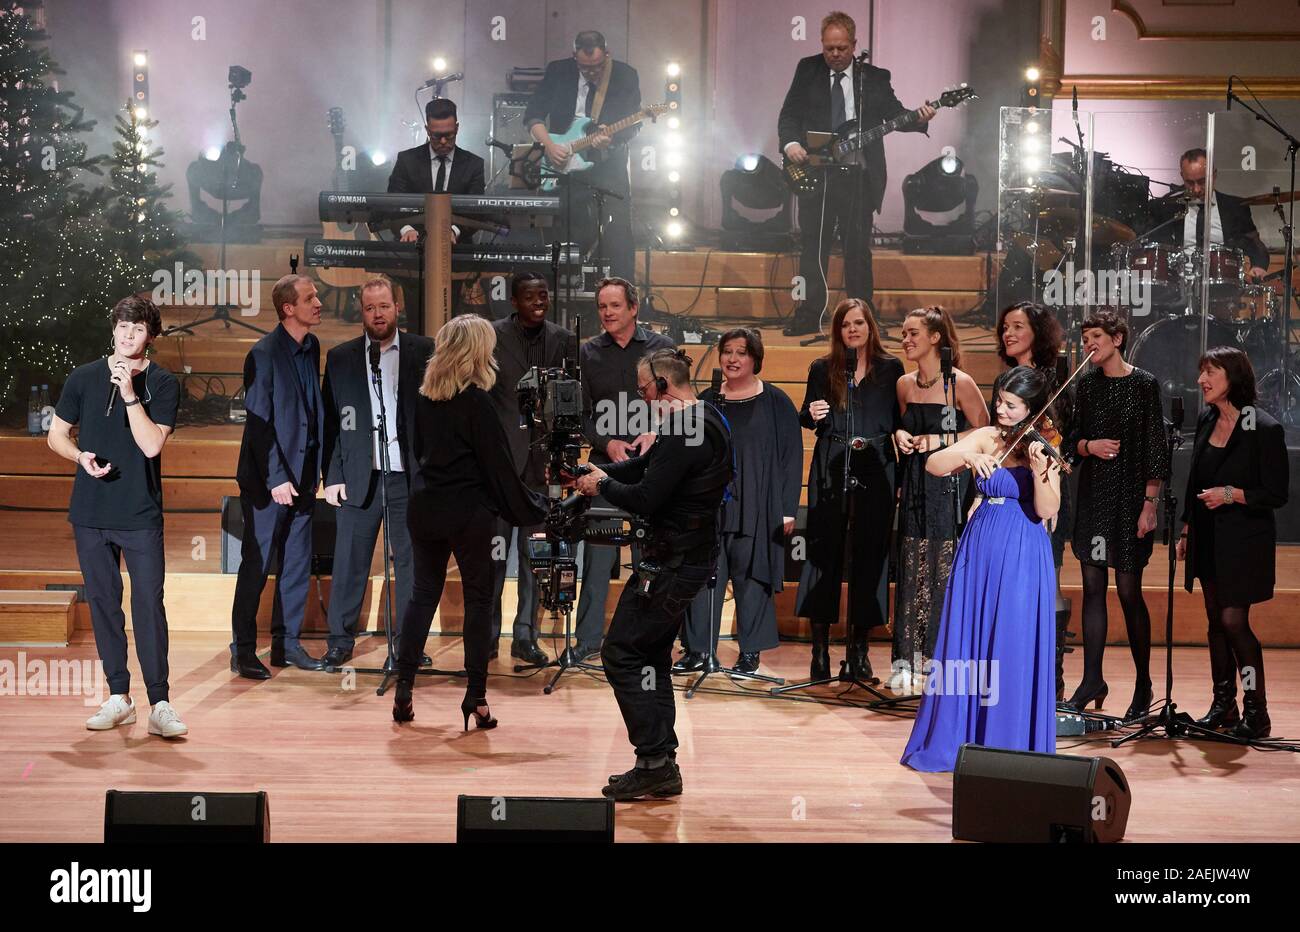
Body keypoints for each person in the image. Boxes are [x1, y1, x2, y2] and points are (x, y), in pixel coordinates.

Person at [574, 348, 733, 800]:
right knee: (651, 656)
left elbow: (645, 496)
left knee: (621, 652)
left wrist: (599, 484)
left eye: (644, 389)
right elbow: (645, 468)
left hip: (674, 562)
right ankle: (660, 762)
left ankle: (654, 760)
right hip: (686, 558)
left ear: (662, 384)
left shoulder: (684, 429)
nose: (642, 398)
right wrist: (597, 470)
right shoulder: (706, 415)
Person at [901, 367, 1061, 772]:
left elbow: (1046, 510)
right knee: (970, 640)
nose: (1002, 410)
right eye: (1000, 401)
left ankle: (1007, 741)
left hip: (1023, 552)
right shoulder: (987, 436)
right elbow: (934, 464)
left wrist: (1042, 468)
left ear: (1032, 408)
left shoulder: (1044, 447)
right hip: (982, 546)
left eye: (1012, 405)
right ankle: (962, 737)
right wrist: (968, 455)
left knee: (1011, 639)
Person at [391, 315, 547, 728]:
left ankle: (404, 688)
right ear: (478, 352)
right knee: (480, 599)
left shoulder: (424, 397)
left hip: (425, 507)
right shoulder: (477, 400)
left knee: (422, 594)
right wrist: (534, 507)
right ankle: (476, 698)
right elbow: (497, 466)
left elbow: (419, 450)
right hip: (467, 512)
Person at [47, 295, 187, 738]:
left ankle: (160, 703)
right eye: (123, 327)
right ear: (114, 329)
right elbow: (56, 435)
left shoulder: (162, 384)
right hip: (90, 512)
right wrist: (79, 455)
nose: (129, 335)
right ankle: (118, 696)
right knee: (105, 605)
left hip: (139, 514)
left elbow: (151, 446)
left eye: (139, 329)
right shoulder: (84, 377)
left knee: (148, 605)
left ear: (150, 336)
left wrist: (129, 395)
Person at [778, 10, 934, 336]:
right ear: (822, 44)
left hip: (858, 178)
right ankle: (809, 314)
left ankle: (863, 320)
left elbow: (894, 115)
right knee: (812, 246)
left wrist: (919, 117)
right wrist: (791, 143)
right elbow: (789, 114)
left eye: (842, 48)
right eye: (829, 48)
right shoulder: (808, 70)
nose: (834, 55)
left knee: (857, 251)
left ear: (854, 45)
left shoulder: (874, 78)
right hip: (816, 173)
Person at [320, 276, 434, 669]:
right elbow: (330, 424)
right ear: (361, 312)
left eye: (384, 306)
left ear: (396, 307)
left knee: (410, 563)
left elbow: (438, 415)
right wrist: (332, 475)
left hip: (409, 477)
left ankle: (407, 646)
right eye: (370, 308)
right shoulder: (341, 357)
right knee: (350, 560)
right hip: (358, 476)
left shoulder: (425, 351)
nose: (377, 314)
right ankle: (340, 640)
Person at [675, 329, 802, 676]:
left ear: (755, 359)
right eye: (727, 351)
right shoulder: (707, 400)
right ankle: (698, 650)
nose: (732, 359)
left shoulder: (776, 401)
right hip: (712, 505)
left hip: (760, 505)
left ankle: (750, 653)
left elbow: (792, 458)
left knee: (752, 577)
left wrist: (787, 508)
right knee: (703, 577)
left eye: (741, 352)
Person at [1177, 347, 1287, 739]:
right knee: (1214, 622)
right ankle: (1223, 705)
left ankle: (1257, 712)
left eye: (1210, 372)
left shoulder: (1265, 428)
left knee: (1233, 621)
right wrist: (1187, 527)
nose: (1201, 380)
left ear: (1233, 377)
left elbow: (1276, 493)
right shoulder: (1208, 418)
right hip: (1208, 537)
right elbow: (1194, 479)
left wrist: (1232, 494)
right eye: (1201, 371)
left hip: (1244, 541)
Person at [1064, 312, 1169, 719]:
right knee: (1092, 586)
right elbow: (1072, 440)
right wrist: (1089, 446)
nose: (1089, 343)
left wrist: (1150, 503)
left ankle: (1143, 686)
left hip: (1130, 498)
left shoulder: (1143, 384)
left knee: (1128, 590)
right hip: (1094, 497)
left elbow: (1155, 447)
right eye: (1086, 337)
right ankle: (1092, 679)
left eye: (1096, 336)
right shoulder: (1086, 385)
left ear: (1117, 339)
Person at [796, 297, 903, 680]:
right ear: (838, 330)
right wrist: (811, 413)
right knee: (823, 553)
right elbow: (806, 415)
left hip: (876, 462)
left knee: (871, 554)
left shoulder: (890, 368)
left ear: (870, 326)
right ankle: (820, 650)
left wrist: (902, 477)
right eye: (846, 325)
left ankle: (858, 650)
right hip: (831, 460)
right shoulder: (822, 367)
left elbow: (899, 421)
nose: (853, 330)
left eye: (859, 323)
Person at [570, 277, 674, 662]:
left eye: (615, 306)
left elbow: (680, 402)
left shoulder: (662, 348)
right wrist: (605, 443)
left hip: (653, 471)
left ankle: (650, 643)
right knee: (597, 560)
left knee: (651, 558)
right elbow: (579, 415)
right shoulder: (587, 353)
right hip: (605, 472)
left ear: (634, 308)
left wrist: (654, 431)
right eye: (602, 306)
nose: (607, 313)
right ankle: (587, 642)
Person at [230, 275, 327, 679]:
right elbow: (259, 424)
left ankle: (287, 646)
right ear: (289, 308)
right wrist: (275, 477)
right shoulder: (263, 354)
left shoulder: (312, 346)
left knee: (296, 563)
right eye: (310, 298)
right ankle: (244, 649)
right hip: (269, 483)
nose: (319, 302)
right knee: (257, 564)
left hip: (303, 476)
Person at [890, 306, 988, 693]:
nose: (906, 340)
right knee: (913, 568)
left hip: (949, 484)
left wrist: (942, 442)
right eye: (903, 333)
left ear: (935, 337)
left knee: (943, 568)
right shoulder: (903, 384)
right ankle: (907, 663)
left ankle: (941, 663)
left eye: (913, 333)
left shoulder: (959, 382)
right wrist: (899, 435)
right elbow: (904, 424)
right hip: (915, 481)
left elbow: (984, 433)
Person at [488, 272, 578, 665]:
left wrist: (564, 462)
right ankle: (486, 636)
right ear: (514, 301)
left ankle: (525, 636)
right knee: (492, 556)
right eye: (530, 296)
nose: (539, 301)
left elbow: (573, 402)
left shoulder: (563, 339)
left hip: (542, 467)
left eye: (543, 295)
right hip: (500, 465)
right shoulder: (491, 336)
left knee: (535, 555)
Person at [996, 299, 1073, 697]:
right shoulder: (1008, 379)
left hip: (1042, 493)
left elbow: (1058, 438)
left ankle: (1052, 678)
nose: (1008, 333)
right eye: (1005, 326)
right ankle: (1020, 674)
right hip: (1009, 498)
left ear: (1037, 335)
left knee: (1048, 583)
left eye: (1018, 326)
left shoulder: (1051, 381)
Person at [524, 30, 641, 281]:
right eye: (585, 68)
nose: (591, 73)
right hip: (563, 162)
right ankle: (564, 290)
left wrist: (609, 141)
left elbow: (633, 124)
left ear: (607, 55)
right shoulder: (558, 71)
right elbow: (532, 115)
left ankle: (622, 293)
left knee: (618, 230)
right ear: (573, 56)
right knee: (566, 231)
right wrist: (548, 145)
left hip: (607, 165)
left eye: (597, 67)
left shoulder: (625, 76)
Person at [1152, 147, 1269, 279]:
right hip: (1179, 288)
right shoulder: (1167, 208)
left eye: (1202, 181)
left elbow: (1256, 247)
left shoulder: (1236, 208)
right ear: (1182, 176)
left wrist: (1259, 266)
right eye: (1189, 182)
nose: (1196, 189)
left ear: (1214, 175)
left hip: (1223, 285)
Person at [388, 97, 486, 243]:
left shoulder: (474, 164)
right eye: (436, 136)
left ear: (457, 128)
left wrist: (454, 231)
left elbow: (476, 212)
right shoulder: (407, 160)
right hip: (411, 248)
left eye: (449, 135)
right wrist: (406, 229)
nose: (443, 141)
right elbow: (392, 204)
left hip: (457, 251)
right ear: (427, 130)